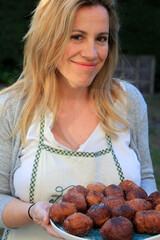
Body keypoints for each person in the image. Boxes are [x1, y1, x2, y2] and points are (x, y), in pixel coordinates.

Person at [0, 0, 157, 239]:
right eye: (76, 36)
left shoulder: (128, 101)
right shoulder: (11, 107)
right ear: (47, 37)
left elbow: (145, 179)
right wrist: (32, 211)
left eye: (101, 38)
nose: (92, 53)